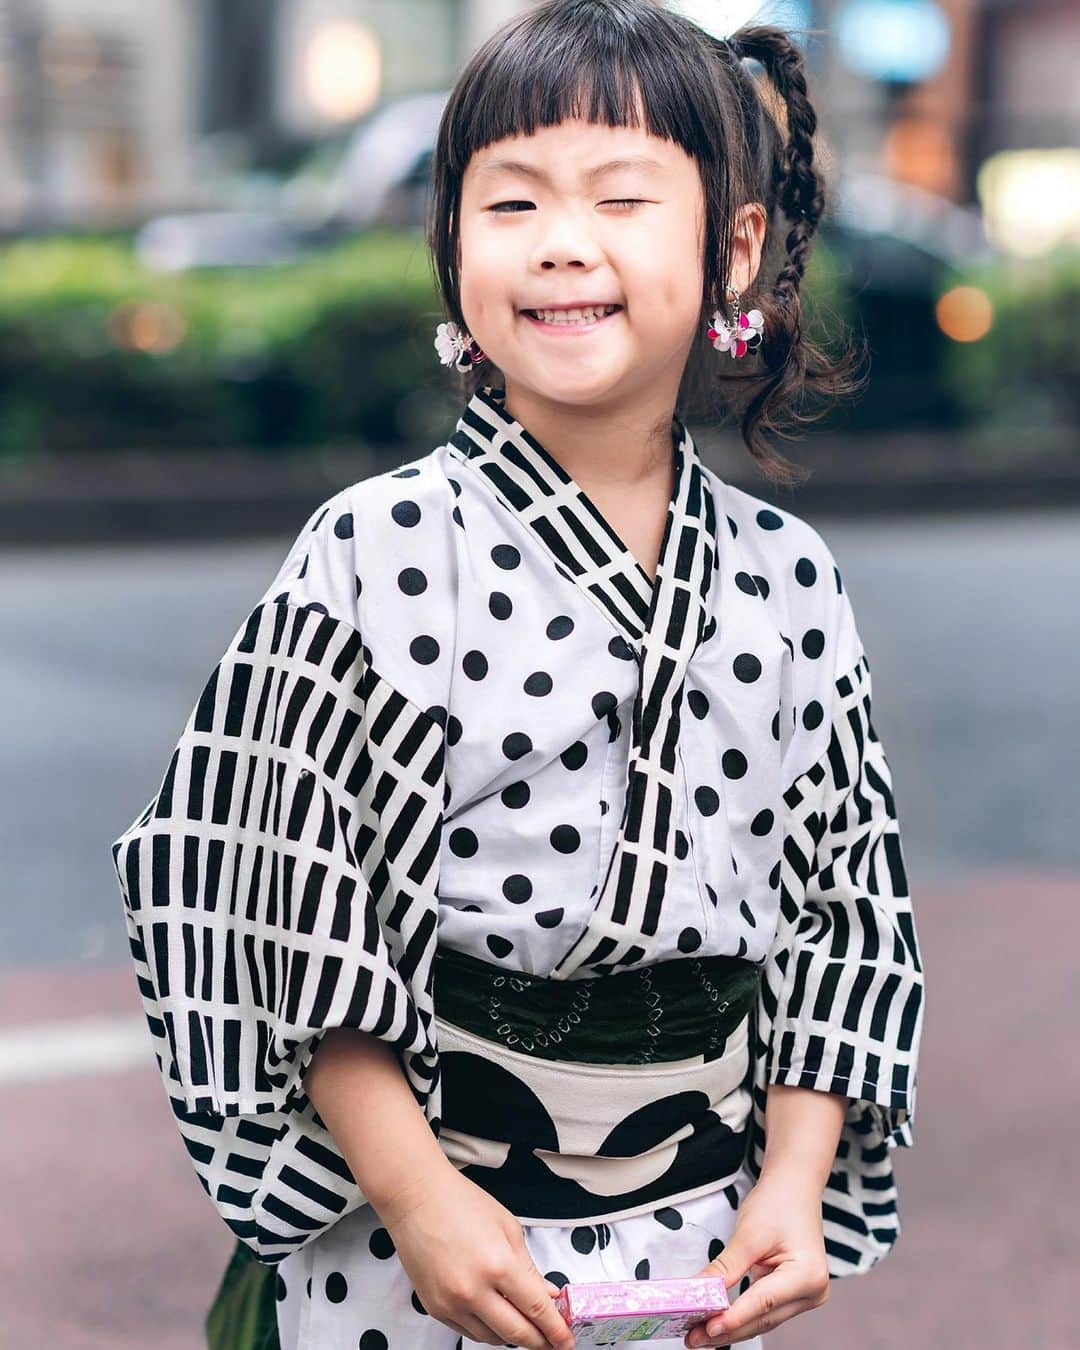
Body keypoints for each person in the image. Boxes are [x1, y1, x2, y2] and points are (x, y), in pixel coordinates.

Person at [109, 3, 925, 1348]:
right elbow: (276, 902)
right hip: (426, 1235)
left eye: (621, 196)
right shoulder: (372, 551)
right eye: (511, 202)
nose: (562, 241)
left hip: (695, 1240)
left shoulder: (790, 578)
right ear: (452, 247)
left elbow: (845, 900)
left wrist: (791, 1176)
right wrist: (418, 1195)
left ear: (737, 251)